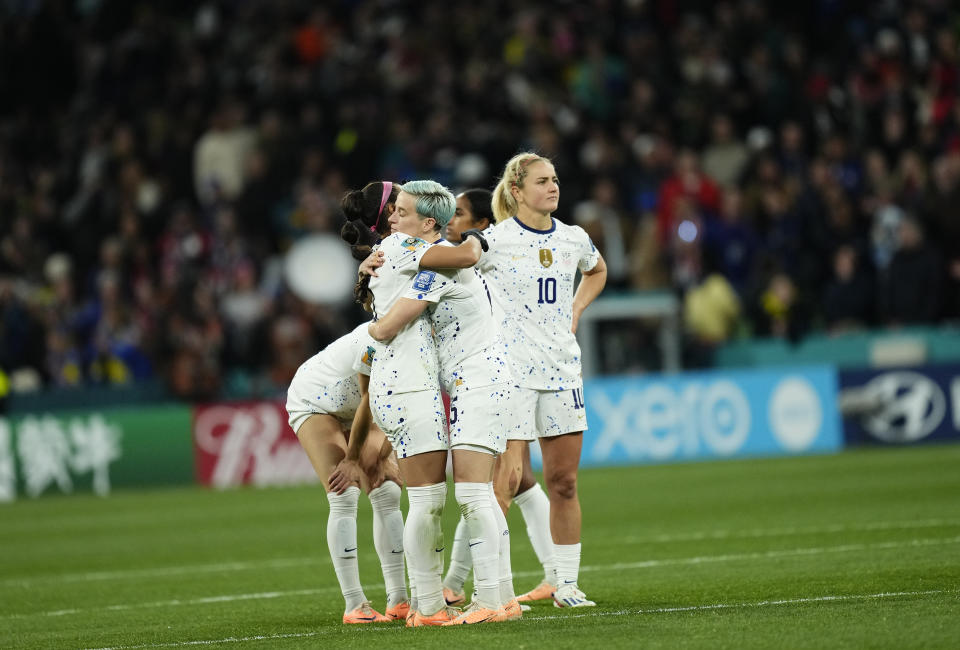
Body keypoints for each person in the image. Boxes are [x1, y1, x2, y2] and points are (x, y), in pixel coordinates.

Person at [361, 185, 523, 624]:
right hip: (463, 381)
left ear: (428, 224)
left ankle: (486, 601)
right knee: (470, 498)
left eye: (402, 213)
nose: (392, 221)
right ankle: (495, 597)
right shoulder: (423, 256)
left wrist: (373, 330)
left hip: (474, 381)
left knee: (468, 496)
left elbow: (390, 325)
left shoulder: (436, 270)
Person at [331, 180, 486, 627]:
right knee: (427, 500)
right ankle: (428, 607)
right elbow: (465, 255)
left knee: (428, 499)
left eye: (403, 209)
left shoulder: (386, 255)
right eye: (395, 209)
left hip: (399, 382)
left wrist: (364, 271)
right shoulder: (403, 245)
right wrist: (479, 234)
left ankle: (424, 601)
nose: (397, 217)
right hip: (408, 384)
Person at [483, 152, 608, 608]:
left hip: (561, 371)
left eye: (555, 179)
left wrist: (576, 308)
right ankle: (493, 589)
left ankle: (566, 584)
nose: (553, 187)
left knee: (564, 483)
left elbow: (598, 270)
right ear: (516, 191)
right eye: (541, 181)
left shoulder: (574, 238)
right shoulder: (494, 241)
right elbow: (457, 276)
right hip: (512, 375)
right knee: (507, 483)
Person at [284, 181, 408, 626]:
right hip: (317, 395)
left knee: (389, 490)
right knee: (346, 491)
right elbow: (372, 395)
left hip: (363, 396)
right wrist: (355, 457)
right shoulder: (386, 333)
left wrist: (384, 452)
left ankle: (399, 599)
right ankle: (355, 604)